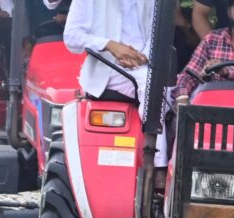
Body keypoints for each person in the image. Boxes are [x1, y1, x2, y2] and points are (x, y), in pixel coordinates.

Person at [63, 0, 169, 170]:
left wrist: (142, 57)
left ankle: (176, 162)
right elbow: (72, 37)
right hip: (107, 68)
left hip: (143, 63)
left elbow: (155, 33)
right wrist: (110, 45)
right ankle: (158, 167)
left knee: (175, 90)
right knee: (153, 86)